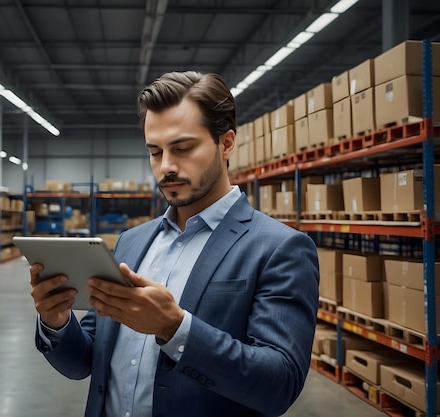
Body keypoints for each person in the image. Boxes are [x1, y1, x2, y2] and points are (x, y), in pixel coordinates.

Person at [29, 71, 319, 417]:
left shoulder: (279, 248)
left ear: (225, 144)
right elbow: (87, 360)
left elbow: (279, 384)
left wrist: (175, 328)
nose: (165, 167)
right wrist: (57, 321)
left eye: (182, 148)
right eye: (155, 152)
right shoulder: (131, 243)